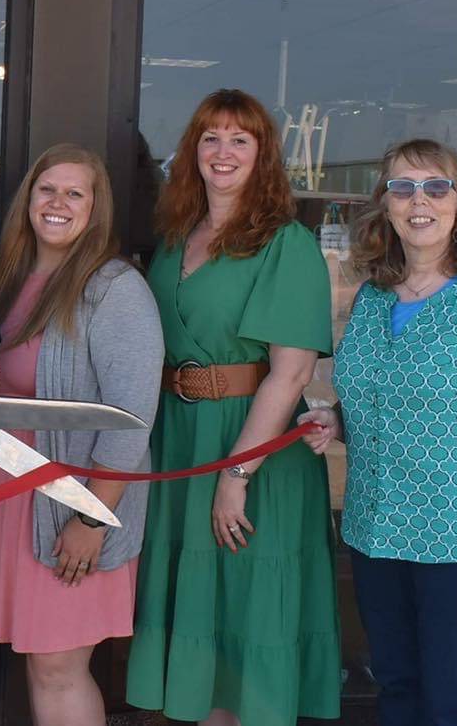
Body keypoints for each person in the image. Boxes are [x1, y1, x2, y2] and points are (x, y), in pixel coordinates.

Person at [299, 139, 457, 726]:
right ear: (384, 205)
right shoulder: (371, 298)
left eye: (436, 187)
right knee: (398, 691)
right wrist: (336, 420)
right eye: (403, 187)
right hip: (375, 534)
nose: (420, 201)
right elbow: (385, 400)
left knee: (453, 705)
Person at [124, 88, 341, 726]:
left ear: (263, 155)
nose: (222, 152)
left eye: (239, 140)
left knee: (247, 612)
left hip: (251, 445)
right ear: (192, 151)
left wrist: (236, 474)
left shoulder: (285, 242)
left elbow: (292, 370)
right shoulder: (173, 240)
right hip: (179, 434)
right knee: (200, 614)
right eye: (210, 138)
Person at [0, 143, 162, 726]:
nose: (58, 203)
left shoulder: (114, 289)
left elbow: (130, 421)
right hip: (4, 496)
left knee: (58, 668)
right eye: (47, 189)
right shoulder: (3, 274)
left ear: (96, 209)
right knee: (39, 662)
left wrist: (91, 518)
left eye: (76, 193)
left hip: (67, 506)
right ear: (27, 200)